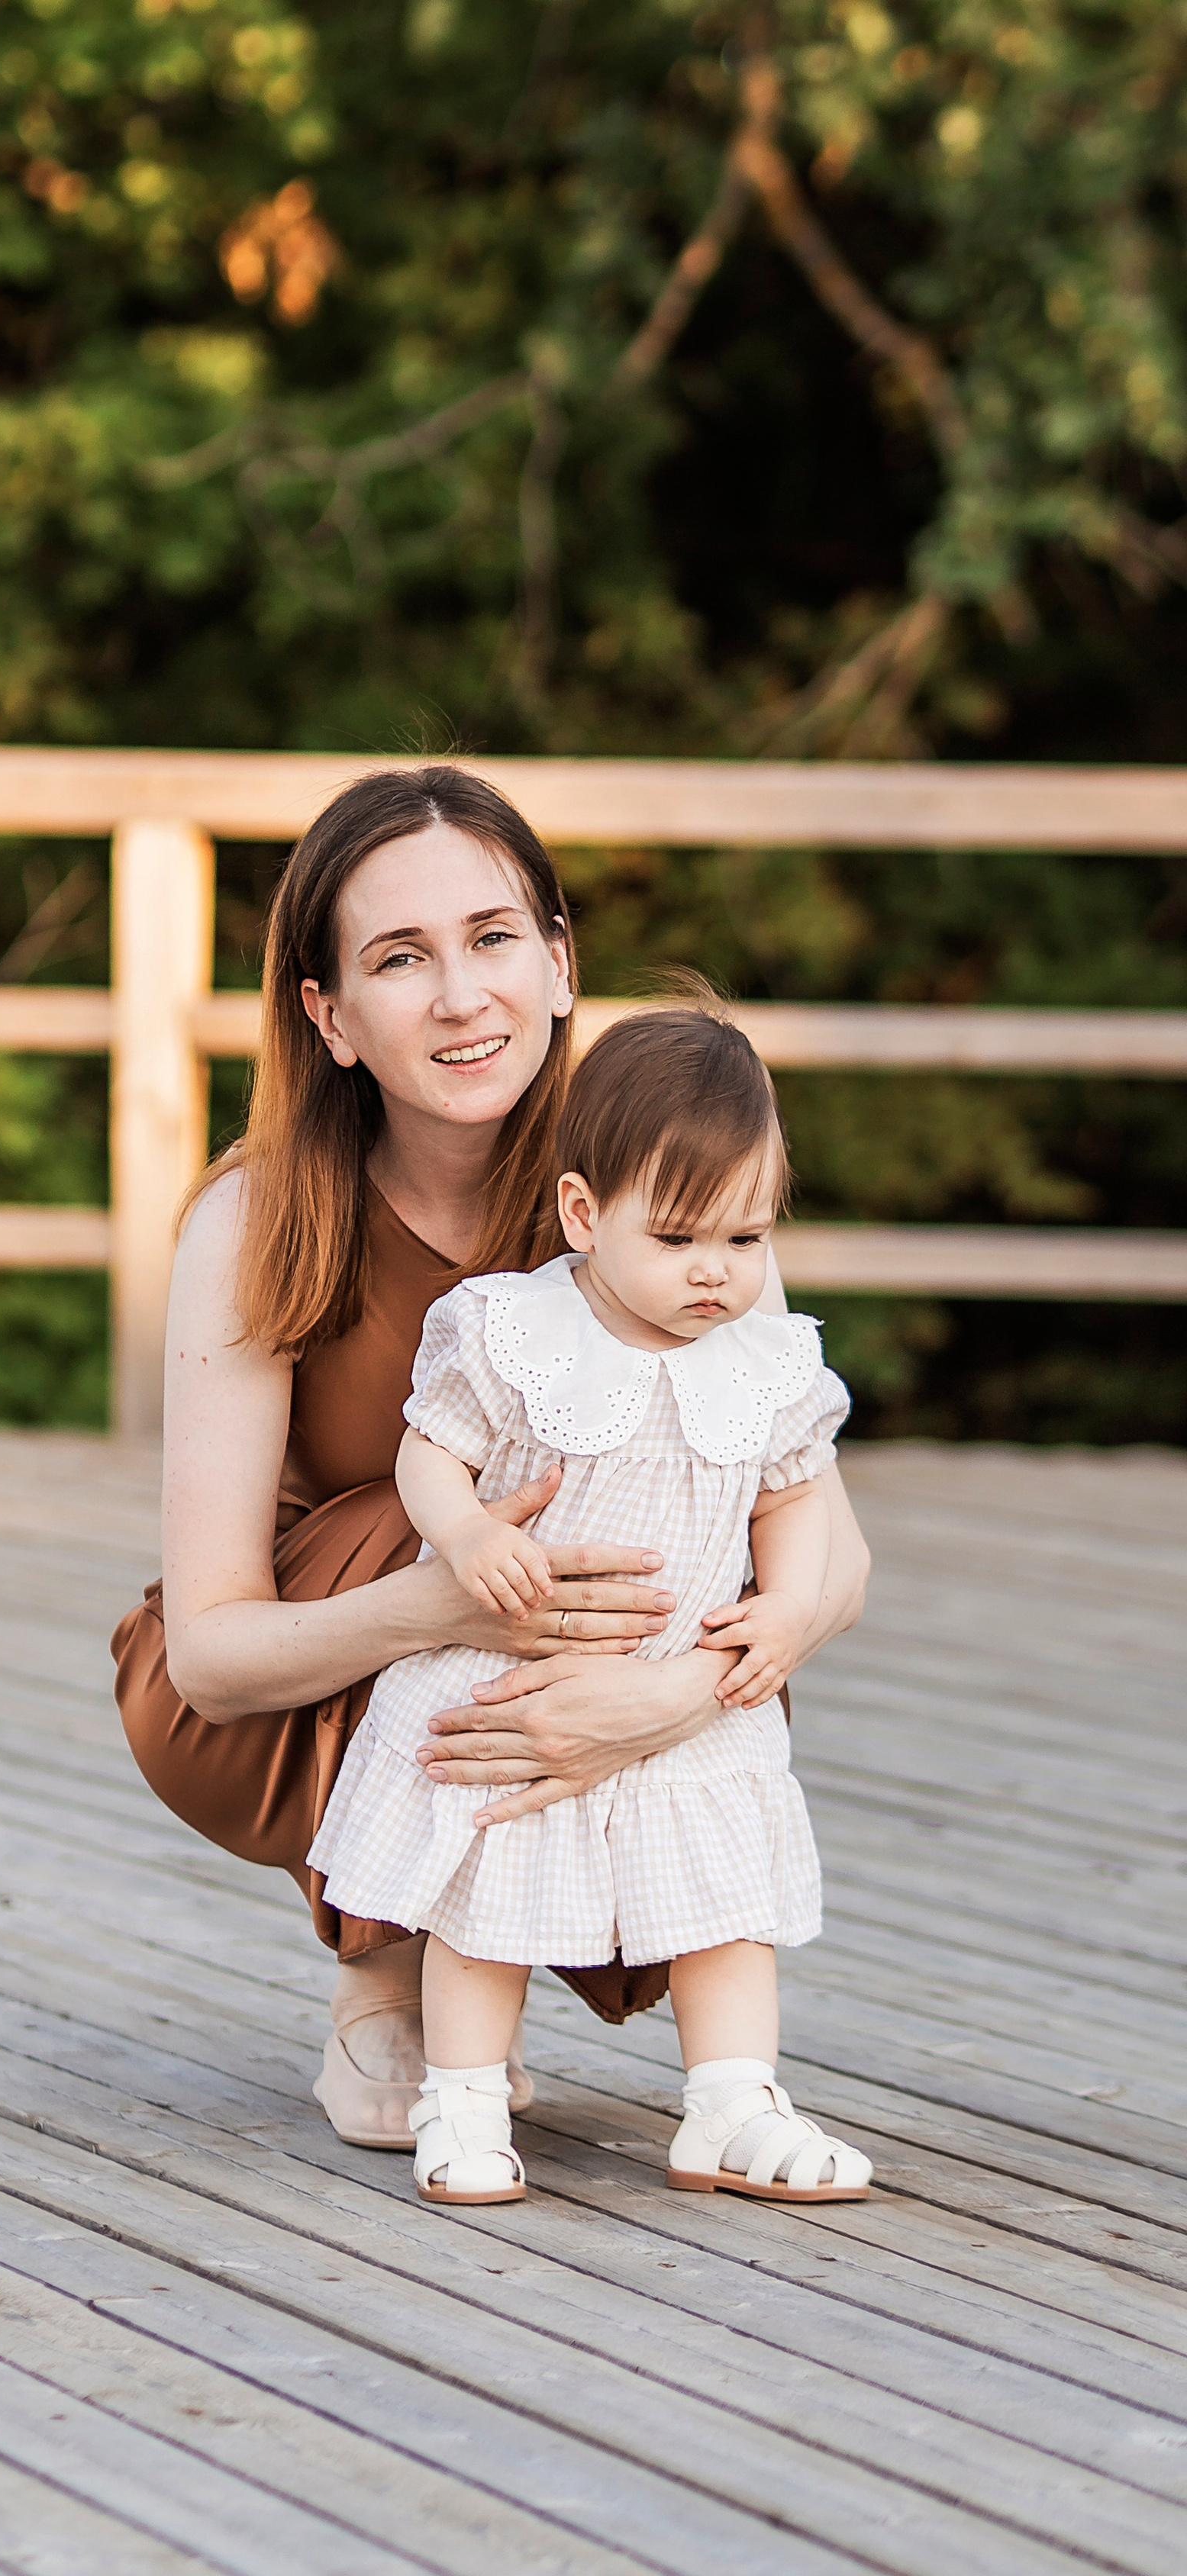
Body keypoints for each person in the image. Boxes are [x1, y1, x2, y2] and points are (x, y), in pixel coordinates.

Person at [111, 764, 869, 2147]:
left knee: (704, 1547)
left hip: (598, 1640)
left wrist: (671, 1698)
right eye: (401, 958)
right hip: (285, 1689)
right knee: (439, 1508)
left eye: (493, 937)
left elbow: (832, 1561)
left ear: (561, 964)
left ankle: (708, 2072)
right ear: (330, 1017)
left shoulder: (666, 1180)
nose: (462, 996)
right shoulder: (255, 1219)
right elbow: (212, 1657)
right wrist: (443, 1601)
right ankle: (383, 1979)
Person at [309, 991, 873, 2204]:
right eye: (676, 1237)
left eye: (746, 1237)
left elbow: (795, 1504)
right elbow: (429, 1453)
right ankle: (462, 2098)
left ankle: (732, 2103)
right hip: (513, 1673)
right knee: (487, 1896)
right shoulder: (519, 1333)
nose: (715, 1271)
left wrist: (787, 1608)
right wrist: (464, 1531)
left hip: (681, 1688)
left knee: (726, 1911)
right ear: (583, 1213)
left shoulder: (768, 1364)